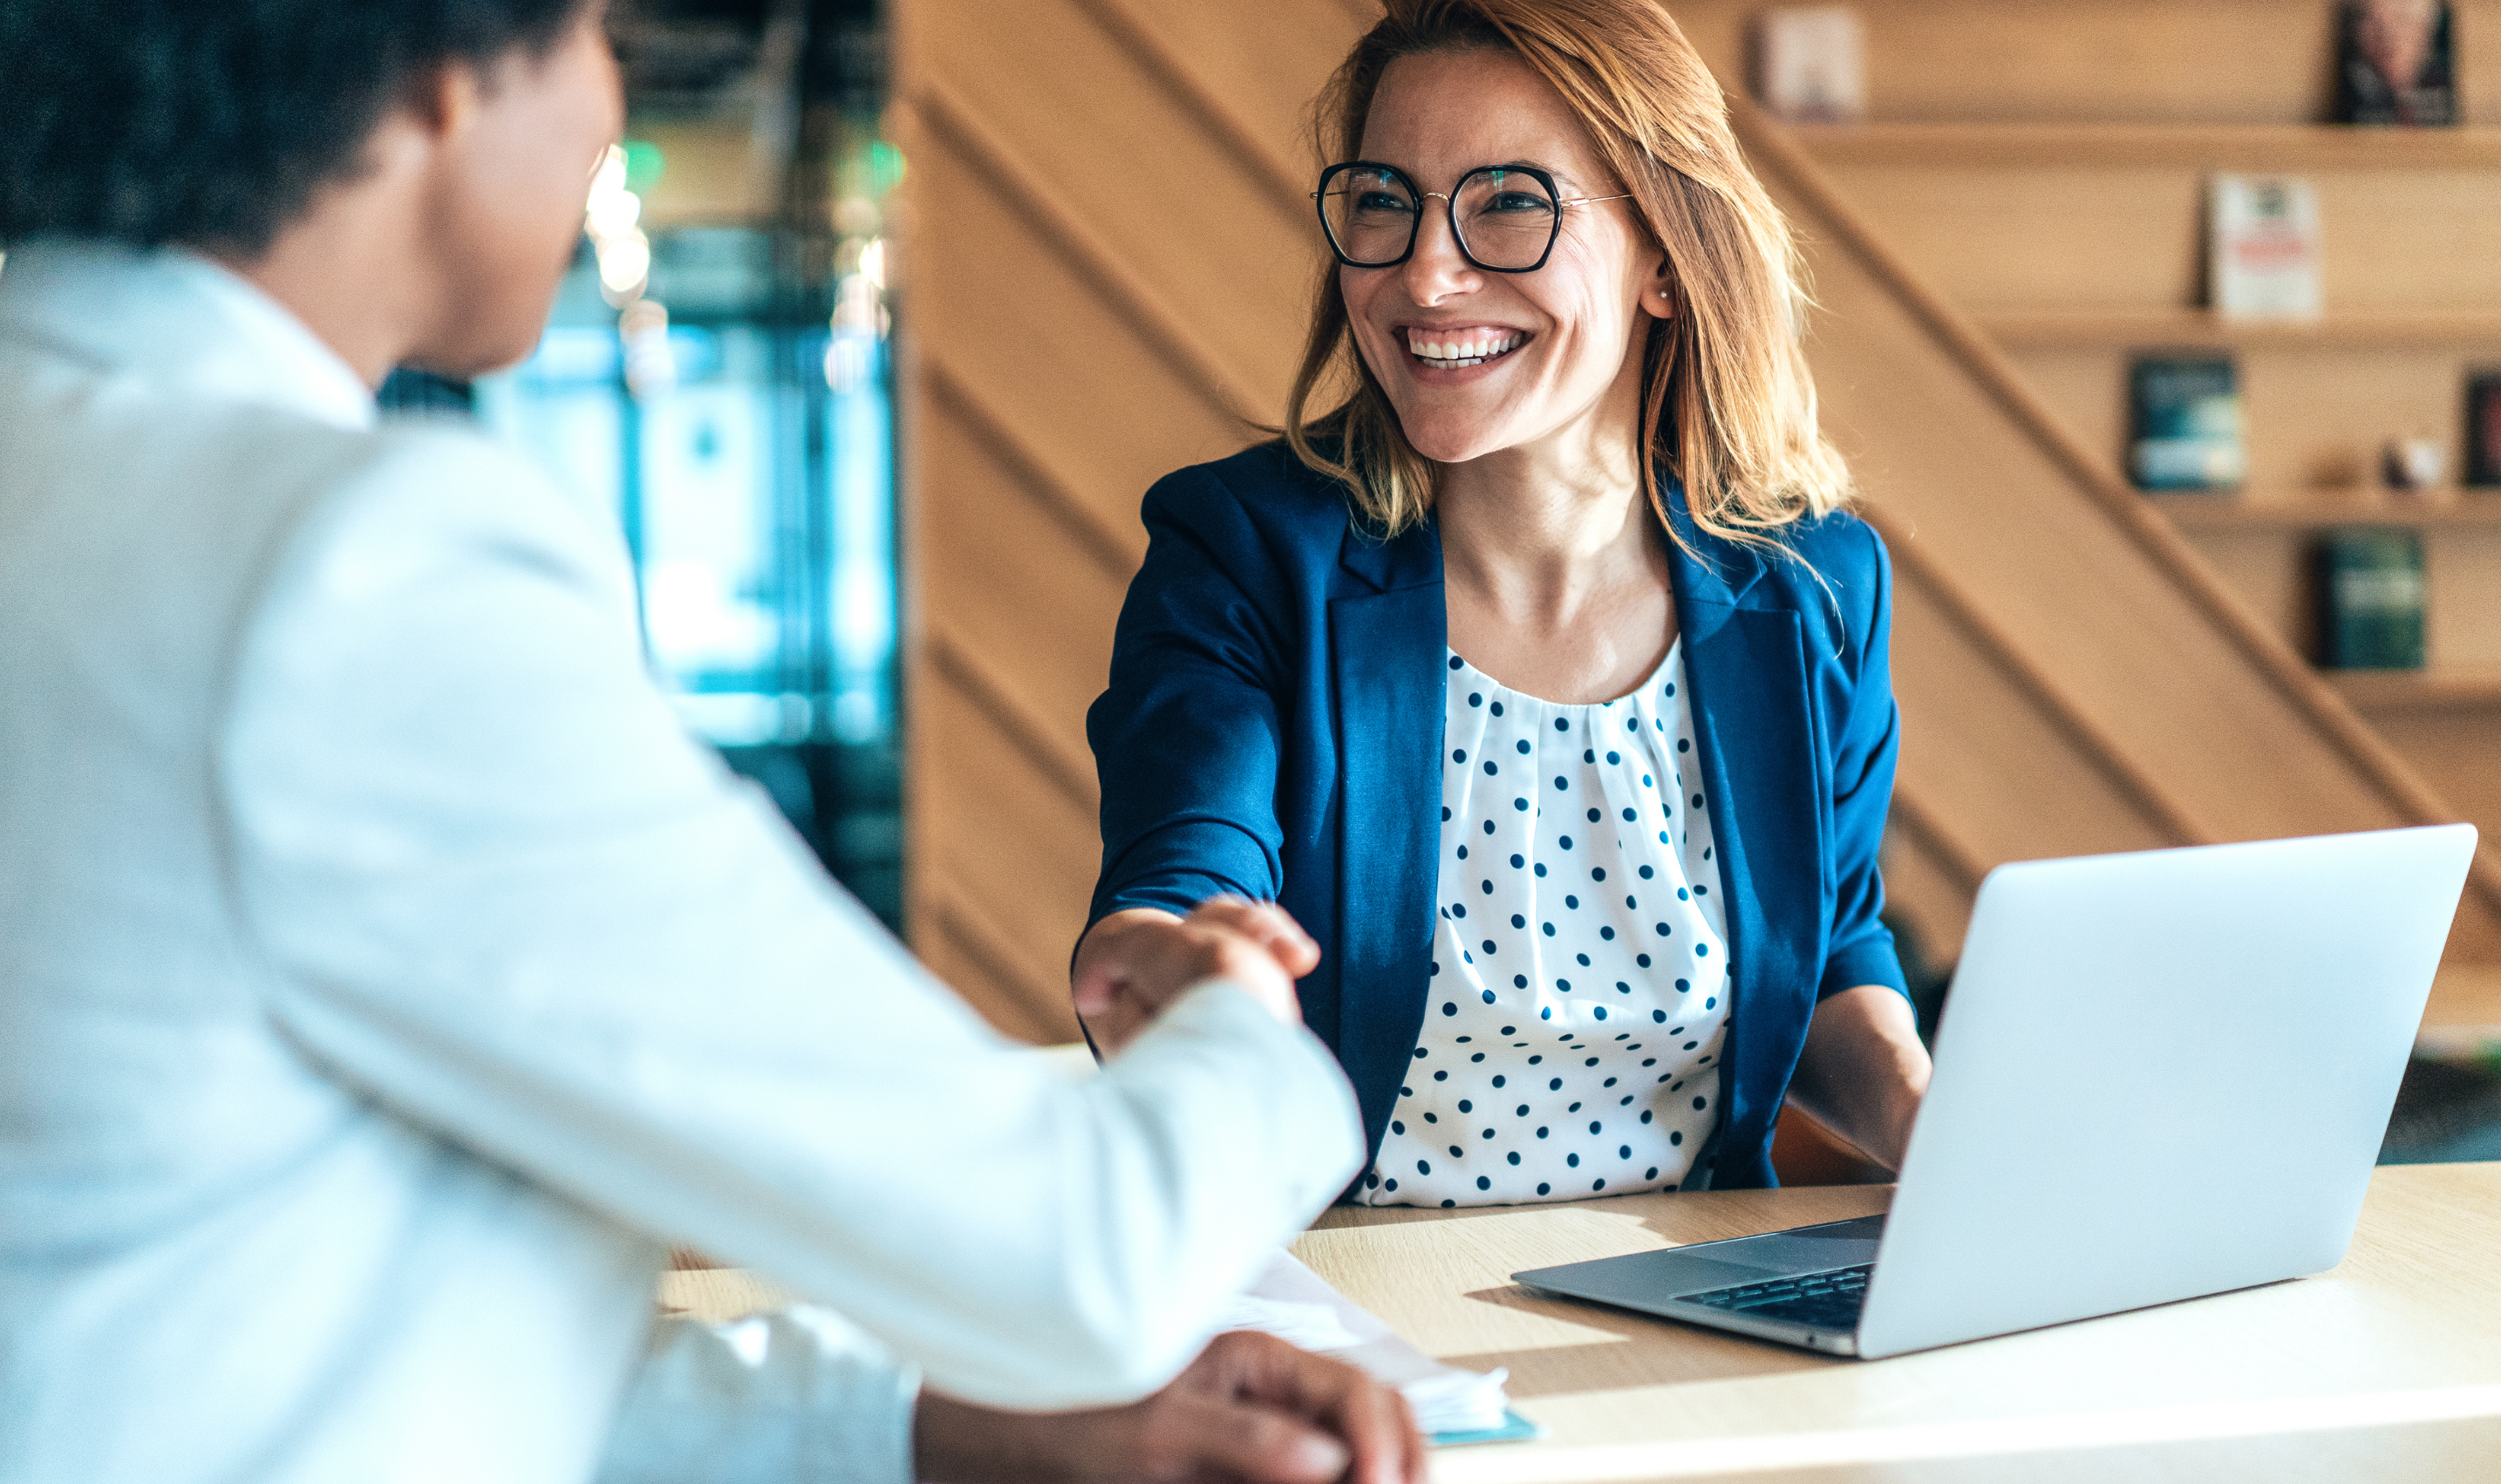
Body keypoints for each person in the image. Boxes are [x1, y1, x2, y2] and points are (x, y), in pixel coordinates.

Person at [0, 3, 1426, 1481]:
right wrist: (1243, 1022)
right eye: (590, 35)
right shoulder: (346, 570)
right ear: (437, 79)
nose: (611, 101)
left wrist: (928, 1427)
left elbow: (219, 1323)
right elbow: (1089, 1262)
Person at [1074, 0, 1933, 1208]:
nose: (1426, 273)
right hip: (1349, 1302)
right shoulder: (1246, 550)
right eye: (1383, 201)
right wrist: (1172, 959)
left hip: (1693, 1297)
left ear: (1668, 264)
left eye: (1511, 204)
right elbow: (1190, 869)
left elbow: (1835, 944)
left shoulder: (1812, 583)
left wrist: (1933, 1122)